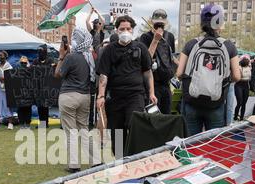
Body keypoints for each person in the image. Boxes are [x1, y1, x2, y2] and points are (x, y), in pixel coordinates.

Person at [97, 15, 157, 157]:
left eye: (128, 28)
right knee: (117, 136)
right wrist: (100, 95)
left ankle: (136, 159)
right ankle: (120, 162)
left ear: (132, 30)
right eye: (122, 29)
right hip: (115, 98)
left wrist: (152, 93)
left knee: (135, 126)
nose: (125, 31)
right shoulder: (109, 50)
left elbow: (148, 72)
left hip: (135, 96)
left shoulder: (140, 48)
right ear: (117, 30)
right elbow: (103, 75)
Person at [176, 4, 240, 136]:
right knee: (213, 145)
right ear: (220, 23)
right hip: (215, 104)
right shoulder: (229, 46)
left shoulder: (191, 44)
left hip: (192, 102)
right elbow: (237, 76)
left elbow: (179, 73)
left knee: (190, 145)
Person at [56, 27, 101, 173]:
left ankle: (74, 165)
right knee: (84, 130)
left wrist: (61, 56)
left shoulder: (70, 57)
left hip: (68, 96)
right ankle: (95, 161)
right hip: (85, 96)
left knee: (71, 132)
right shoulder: (90, 57)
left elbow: (58, 74)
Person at [140, 9, 177, 115]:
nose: (159, 24)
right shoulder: (145, 37)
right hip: (152, 84)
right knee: (153, 117)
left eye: (162, 22)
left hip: (166, 83)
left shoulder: (169, 36)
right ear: (152, 21)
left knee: (166, 116)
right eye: (157, 22)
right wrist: (155, 40)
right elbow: (145, 60)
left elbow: (171, 58)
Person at [32, 44, 54, 129]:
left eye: (41, 52)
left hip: (47, 87)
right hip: (37, 87)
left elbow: (52, 70)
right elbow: (32, 70)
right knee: (40, 106)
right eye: (39, 52)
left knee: (45, 106)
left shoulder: (50, 61)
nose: (40, 54)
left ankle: (46, 123)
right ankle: (42, 123)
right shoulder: (35, 61)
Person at [0, 50, 14, 130]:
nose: (0, 57)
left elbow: (12, 78)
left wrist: (4, 79)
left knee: (7, 105)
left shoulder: (9, 66)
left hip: (7, 88)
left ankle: (10, 123)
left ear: (5, 56)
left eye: (1, 55)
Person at [234, 55, 252, 121]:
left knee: (244, 103)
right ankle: (235, 117)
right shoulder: (239, 68)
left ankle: (241, 118)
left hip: (246, 86)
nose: (246, 61)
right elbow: (237, 77)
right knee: (239, 102)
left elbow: (250, 78)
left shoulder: (249, 68)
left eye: (247, 60)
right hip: (239, 85)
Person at [17, 56, 32, 129]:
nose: (23, 64)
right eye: (22, 63)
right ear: (20, 63)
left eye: (25, 63)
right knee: (20, 109)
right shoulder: (17, 71)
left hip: (28, 92)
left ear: (27, 63)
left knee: (28, 108)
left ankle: (28, 124)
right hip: (19, 92)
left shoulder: (30, 71)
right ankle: (22, 124)